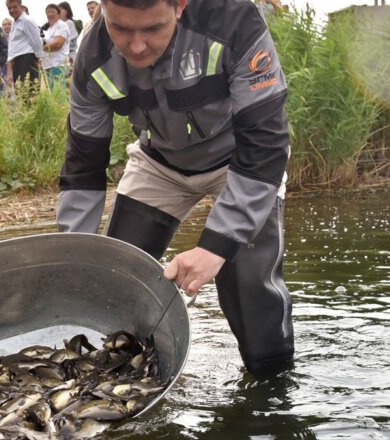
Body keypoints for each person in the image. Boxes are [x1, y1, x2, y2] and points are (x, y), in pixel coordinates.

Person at [57, 0, 294, 379]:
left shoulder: (234, 19)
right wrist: (74, 251)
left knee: (248, 280)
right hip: (159, 164)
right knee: (120, 278)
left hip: (242, 163)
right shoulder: (91, 55)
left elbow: (266, 144)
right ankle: (122, 379)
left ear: (180, 5)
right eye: (120, 28)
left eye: (152, 29)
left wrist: (217, 246)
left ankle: (272, 383)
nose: (135, 46)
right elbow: (84, 163)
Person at [5, 0, 45, 89]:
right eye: (9, 8)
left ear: (21, 6)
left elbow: (36, 40)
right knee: (21, 93)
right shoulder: (15, 23)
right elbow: (12, 48)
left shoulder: (26, 21)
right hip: (17, 62)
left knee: (29, 92)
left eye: (14, 7)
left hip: (27, 60)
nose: (12, 10)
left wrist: (39, 58)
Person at [41, 4, 71, 89]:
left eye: (53, 12)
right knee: (52, 95)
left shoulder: (61, 25)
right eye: (48, 12)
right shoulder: (49, 30)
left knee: (58, 94)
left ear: (59, 14)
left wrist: (41, 48)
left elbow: (58, 44)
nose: (50, 14)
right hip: (48, 66)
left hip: (58, 65)